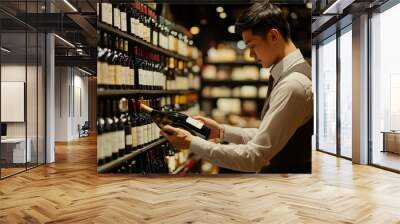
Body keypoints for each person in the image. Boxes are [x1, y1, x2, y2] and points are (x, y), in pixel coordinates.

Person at [161, 1, 313, 173]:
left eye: (252, 46)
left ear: (273, 36)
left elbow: (254, 157)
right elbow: (268, 136)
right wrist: (220, 131)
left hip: (285, 191)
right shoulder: (294, 76)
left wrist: (192, 142)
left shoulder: (293, 85)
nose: (251, 54)